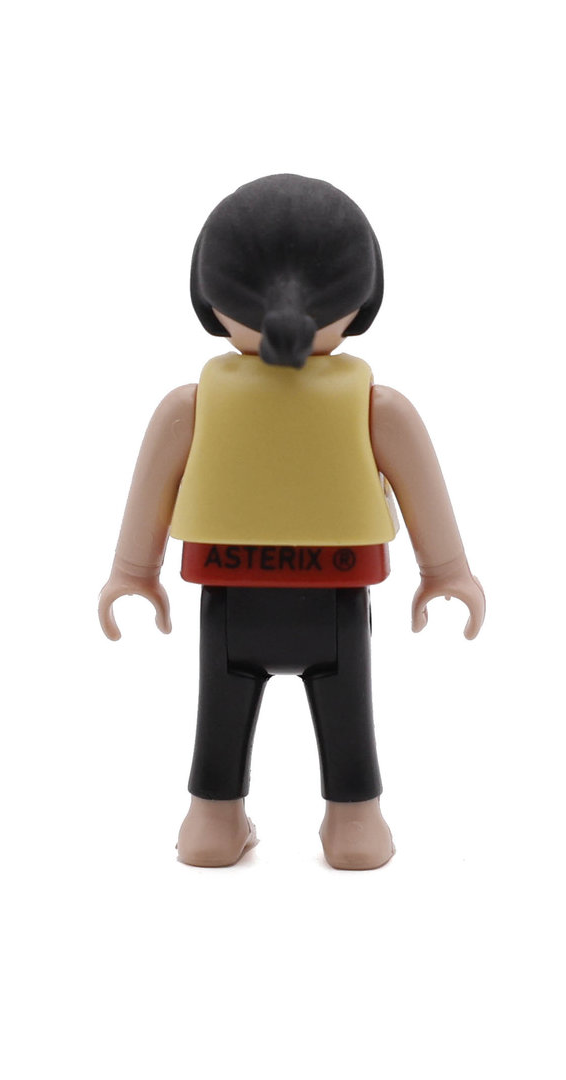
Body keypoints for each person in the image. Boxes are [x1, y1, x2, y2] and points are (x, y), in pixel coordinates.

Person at [98, 174, 485, 870]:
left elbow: (152, 484)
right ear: (363, 299)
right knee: (348, 716)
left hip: (231, 599)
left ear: (209, 298)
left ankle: (212, 824)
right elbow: (421, 487)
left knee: (220, 716)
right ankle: (355, 826)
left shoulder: (193, 404)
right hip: (334, 602)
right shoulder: (375, 405)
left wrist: (133, 573)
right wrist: (446, 572)